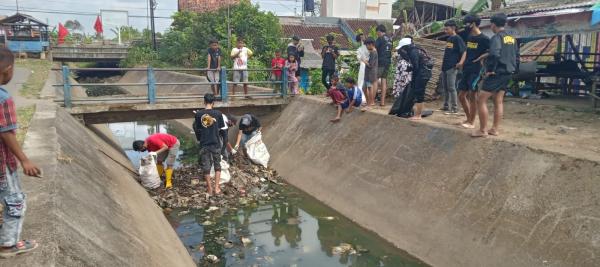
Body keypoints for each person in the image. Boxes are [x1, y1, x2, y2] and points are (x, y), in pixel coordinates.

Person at [0, 47, 41, 258]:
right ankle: (8, 245)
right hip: (2, 163)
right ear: (8, 69)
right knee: (15, 200)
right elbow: (6, 133)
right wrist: (24, 160)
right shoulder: (3, 98)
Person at [473, 13, 517, 137]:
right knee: (498, 100)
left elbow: (495, 53)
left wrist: (490, 69)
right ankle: (494, 129)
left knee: (481, 99)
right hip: (508, 72)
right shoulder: (511, 38)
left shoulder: (496, 38)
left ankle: (482, 130)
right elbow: (515, 55)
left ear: (493, 24)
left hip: (497, 72)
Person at [459, 14, 489, 129]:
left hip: (476, 70)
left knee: (472, 95)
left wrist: (481, 57)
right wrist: (462, 62)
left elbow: (492, 51)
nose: (465, 26)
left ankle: (471, 122)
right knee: (461, 95)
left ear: (473, 24)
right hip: (466, 68)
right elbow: (466, 50)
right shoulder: (469, 37)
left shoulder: (485, 39)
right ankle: (468, 118)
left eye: (467, 23)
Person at [193, 94, 226, 195]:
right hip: (215, 142)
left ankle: (210, 189)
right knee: (217, 165)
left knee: (206, 167)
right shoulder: (218, 113)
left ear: (204, 101)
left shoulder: (198, 114)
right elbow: (220, 128)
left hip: (204, 143)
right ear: (213, 103)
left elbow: (197, 128)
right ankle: (217, 188)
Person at [440, 20, 466, 114]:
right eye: (445, 29)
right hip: (445, 66)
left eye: (447, 29)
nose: (445, 31)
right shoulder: (449, 39)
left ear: (453, 28)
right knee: (445, 88)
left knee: (451, 87)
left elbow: (464, 51)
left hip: (452, 67)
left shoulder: (457, 38)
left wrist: (461, 63)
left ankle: (454, 108)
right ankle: (446, 106)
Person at [375, 25, 392, 106]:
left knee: (374, 80)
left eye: (377, 33)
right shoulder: (390, 39)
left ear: (379, 31)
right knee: (384, 81)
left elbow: (373, 48)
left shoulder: (380, 39)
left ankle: (372, 101)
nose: (377, 34)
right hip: (388, 61)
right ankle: (382, 102)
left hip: (380, 62)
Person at [362, 37, 378, 110]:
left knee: (369, 88)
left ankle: (371, 103)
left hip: (370, 74)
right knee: (364, 88)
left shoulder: (373, 53)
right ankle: (369, 102)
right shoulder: (372, 52)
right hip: (368, 73)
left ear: (371, 44)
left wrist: (364, 61)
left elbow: (370, 65)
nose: (366, 47)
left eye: (367, 45)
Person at [355, 33, 369, 106]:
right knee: (362, 81)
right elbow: (360, 59)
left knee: (364, 82)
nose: (363, 38)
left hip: (365, 65)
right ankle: (363, 98)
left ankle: (365, 98)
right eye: (361, 37)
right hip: (364, 65)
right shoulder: (360, 49)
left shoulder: (367, 47)